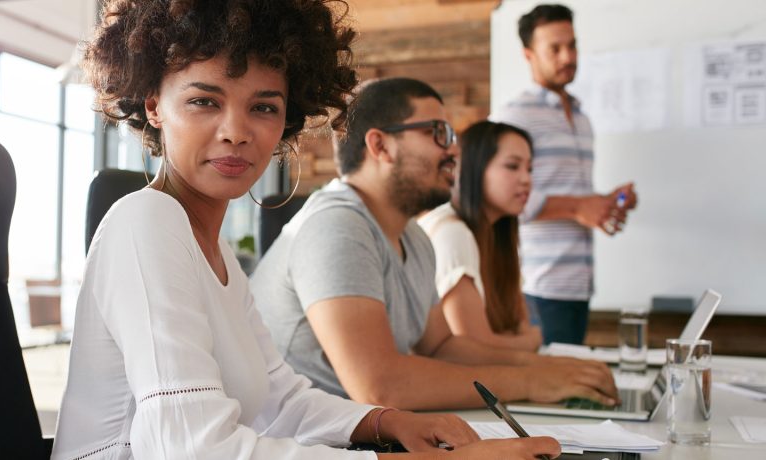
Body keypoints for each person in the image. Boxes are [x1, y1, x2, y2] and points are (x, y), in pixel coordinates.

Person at [50, 2, 559, 459]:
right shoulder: (146, 223)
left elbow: (278, 396)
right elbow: (192, 448)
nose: (236, 130)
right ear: (155, 106)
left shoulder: (215, 246)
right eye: (205, 101)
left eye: (264, 107)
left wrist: (388, 421)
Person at [251, 77, 618, 413]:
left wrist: (547, 366)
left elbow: (442, 347)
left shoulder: (415, 237)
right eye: (439, 133)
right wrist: (530, 381)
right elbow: (379, 386)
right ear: (381, 145)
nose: (455, 152)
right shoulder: (336, 226)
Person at [489, 4, 638, 345]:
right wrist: (576, 208)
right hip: (538, 288)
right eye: (554, 49)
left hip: (580, 285)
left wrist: (608, 202)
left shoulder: (582, 117)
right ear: (529, 55)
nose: (567, 56)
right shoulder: (515, 116)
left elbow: (571, 195)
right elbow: (498, 197)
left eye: (572, 45)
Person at [417, 120, 542, 352]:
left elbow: (516, 324)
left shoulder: (498, 233)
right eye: (513, 166)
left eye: (529, 169)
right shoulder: (452, 232)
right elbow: (475, 347)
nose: (526, 179)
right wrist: (532, 340)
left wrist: (525, 339)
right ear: (474, 168)